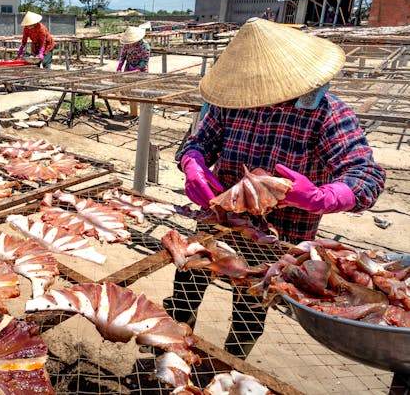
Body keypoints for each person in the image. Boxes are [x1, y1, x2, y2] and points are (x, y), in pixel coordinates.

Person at [163, 18, 385, 359]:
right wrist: (192, 161)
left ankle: (231, 365)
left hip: (280, 235)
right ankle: (175, 344)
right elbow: (200, 141)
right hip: (220, 216)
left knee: (252, 303)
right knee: (189, 280)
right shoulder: (231, 101)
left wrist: (322, 197)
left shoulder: (327, 113)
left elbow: (366, 175)